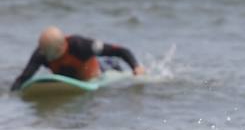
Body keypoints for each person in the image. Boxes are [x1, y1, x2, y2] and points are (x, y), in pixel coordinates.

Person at [10, 26, 145, 91]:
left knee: (111, 64)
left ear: (59, 49)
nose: (41, 53)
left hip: (102, 70)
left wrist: (135, 67)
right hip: (73, 77)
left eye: (45, 50)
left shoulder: (81, 45)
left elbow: (119, 50)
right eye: (41, 49)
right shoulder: (41, 53)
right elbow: (24, 77)